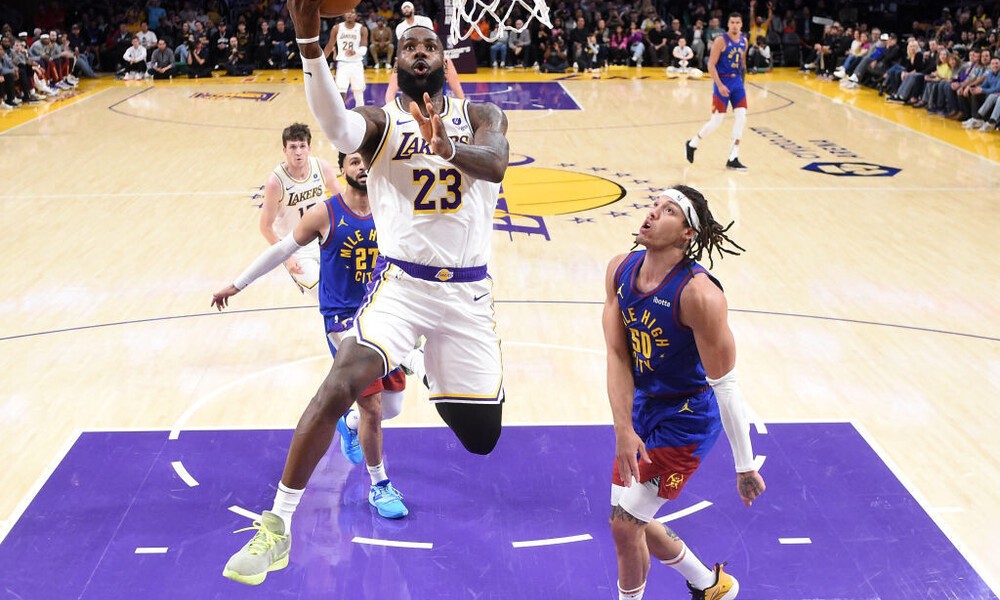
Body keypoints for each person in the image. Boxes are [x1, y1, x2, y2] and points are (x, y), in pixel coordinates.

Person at [218, 3, 509, 585]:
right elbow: (335, 126)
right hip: (402, 288)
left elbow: (497, 164)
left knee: (481, 438)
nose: (420, 52)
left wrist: (447, 150)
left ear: (443, 57)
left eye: (429, 45)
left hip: (468, 297)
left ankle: (431, 367)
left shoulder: (481, 113)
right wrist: (309, 44)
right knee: (340, 385)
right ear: (395, 61)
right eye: (409, 47)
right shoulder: (379, 125)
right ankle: (277, 526)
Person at [212, 151, 418, 523]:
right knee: (373, 408)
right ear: (342, 169)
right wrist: (237, 284)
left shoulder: (390, 208)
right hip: (344, 324)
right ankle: (380, 485)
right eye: (353, 161)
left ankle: (349, 424)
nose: (361, 167)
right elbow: (281, 249)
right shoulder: (325, 213)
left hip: (383, 316)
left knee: (392, 407)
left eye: (366, 161)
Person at [603, 185, 765, 600]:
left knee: (624, 525)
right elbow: (618, 355)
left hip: (687, 419)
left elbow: (725, 384)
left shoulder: (699, 295)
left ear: (687, 233)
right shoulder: (620, 270)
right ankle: (711, 585)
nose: (653, 213)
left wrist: (744, 465)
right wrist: (623, 427)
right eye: (654, 205)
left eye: (669, 210)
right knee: (631, 519)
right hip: (644, 407)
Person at [259, 123, 341, 301]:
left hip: (325, 241)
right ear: (284, 150)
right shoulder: (275, 182)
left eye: (302, 146)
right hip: (296, 248)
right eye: (293, 147)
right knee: (326, 297)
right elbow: (265, 227)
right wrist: (286, 257)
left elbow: (344, 203)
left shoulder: (322, 168)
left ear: (309, 148)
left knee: (347, 290)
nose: (298, 152)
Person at [685, 12, 749, 171]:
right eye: (732, 22)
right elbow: (711, 65)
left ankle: (733, 157)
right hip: (723, 81)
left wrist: (743, 83)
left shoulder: (744, 41)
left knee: (741, 117)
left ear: (741, 24)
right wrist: (719, 85)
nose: (735, 25)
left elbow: (742, 64)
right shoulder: (721, 40)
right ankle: (693, 143)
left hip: (737, 82)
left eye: (738, 22)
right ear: (728, 24)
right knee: (716, 121)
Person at [384, 1, 464, 102]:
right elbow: (403, 48)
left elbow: (432, 41)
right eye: (404, 8)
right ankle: (391, 104)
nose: (406, 9)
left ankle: (460, 101)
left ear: (413, 9)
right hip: (411, 56)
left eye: (408, 7)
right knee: (399, 64)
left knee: (445, 60)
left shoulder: (425, 21)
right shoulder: (400, 27)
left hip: (427, 53)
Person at [324, 10, 368, 107]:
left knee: (358, 91)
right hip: (343, 63)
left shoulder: (362, 29)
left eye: (352, 12)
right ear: (343, 14)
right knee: (340, 90)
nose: (349, 14)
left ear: (356, 15)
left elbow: (364, 48)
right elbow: (330, 45)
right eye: (347, 12)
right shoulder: (337, 28)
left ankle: (361, 112)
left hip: (356, 63)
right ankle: (341, 112)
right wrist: (321, 61)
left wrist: (355, 52)